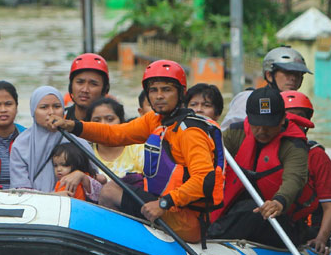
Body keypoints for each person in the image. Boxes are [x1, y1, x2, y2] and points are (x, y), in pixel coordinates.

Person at [51, 60, 225, 244]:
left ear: (181, 93)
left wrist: (163, 204)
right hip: (168, 207)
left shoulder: (190, 132)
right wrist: (72, 125)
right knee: (116, 186)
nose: (159, 96)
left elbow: (203, 180)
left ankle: (110, 244)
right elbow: (115, 134)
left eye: (166, 90)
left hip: (187, 220)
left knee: (110, 192)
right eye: (153, 90)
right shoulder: (156, 120)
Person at [207, 86, 310, 249]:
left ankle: (209, 236)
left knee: (251, 212)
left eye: (269, 125)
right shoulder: (235, 133)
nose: (262, 131)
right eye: (257, 124)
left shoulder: (294, 145)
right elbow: (209, 160)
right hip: (233, 211)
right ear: (248, 118)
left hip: (276, 217)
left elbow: (294, 179)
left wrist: (279, 202)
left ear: (282, 119)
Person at [282, 90, 331, 255]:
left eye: (300, 117)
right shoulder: (267, 151)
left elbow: (330, 207)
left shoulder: (317, 156)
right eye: (289, 116)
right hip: (278, 221)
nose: (294, 121)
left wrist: (321, 239)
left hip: (307, 228)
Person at [9, 86, 97, 192]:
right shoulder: (21, 144)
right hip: (34, 206)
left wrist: (82, 177)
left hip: (74, 205)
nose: (51, 112)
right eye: (44, 107)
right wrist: (54, 197)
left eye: (57, 106)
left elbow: (98, 190)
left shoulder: (79, 142)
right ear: (33, 111)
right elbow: (20, 191)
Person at [220, 46, 312, 128]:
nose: (293, 78)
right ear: (269, 75)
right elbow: (227, 137)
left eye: (298, 74)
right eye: (287, 73)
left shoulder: (298, 107)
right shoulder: (248, 99)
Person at [87, 97, 144, 186]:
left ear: (121, 122)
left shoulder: (138, 149)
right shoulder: (85, 152)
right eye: (96, 120)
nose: (103, 125)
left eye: (110, 119)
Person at [64, 53, 110, 122]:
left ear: (104, 89)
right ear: (71, 86)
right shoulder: (60, 119)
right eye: (80, 82)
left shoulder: (114, 122)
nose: (85, 90)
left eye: (93, 84)